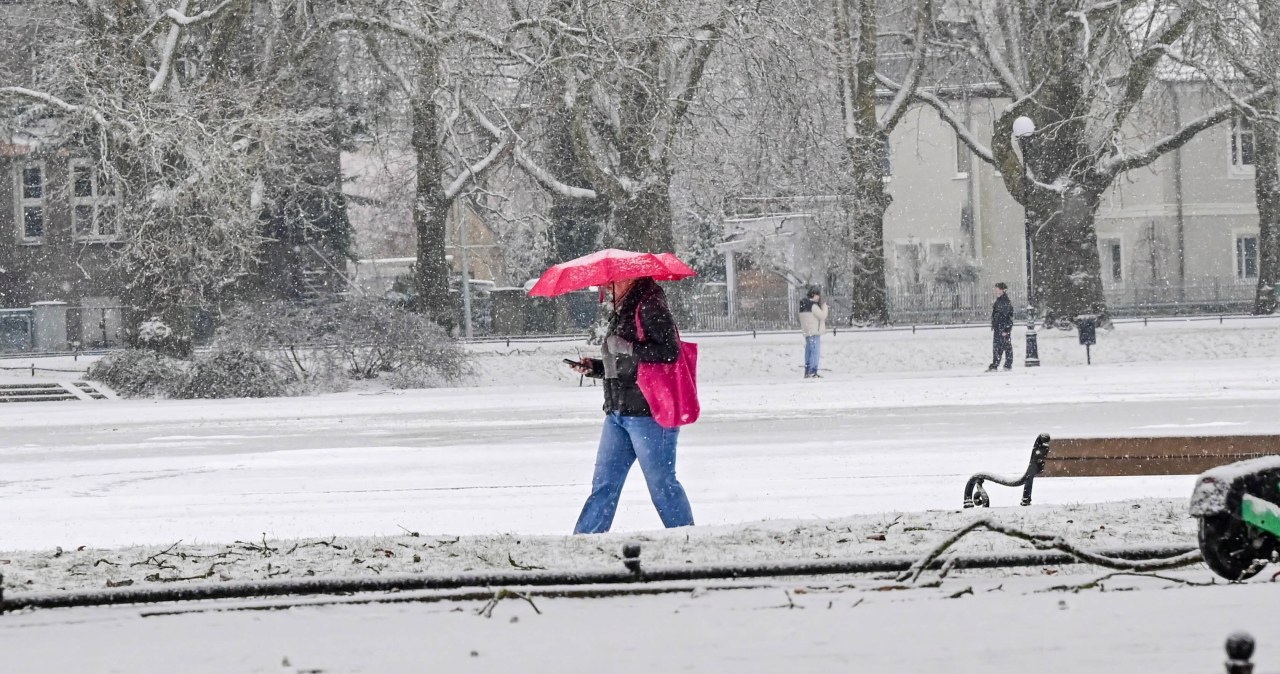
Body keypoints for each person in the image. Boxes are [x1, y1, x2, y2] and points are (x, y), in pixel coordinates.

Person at [568, 276, 695, 534]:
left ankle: (687, 538)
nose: (606, 288)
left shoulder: (650, 305)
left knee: (662, 487)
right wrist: (595, 367)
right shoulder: (622, 311)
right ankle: (584, 543)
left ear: (628, 279)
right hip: (618, 413)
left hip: (648, 413)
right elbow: (626, 366)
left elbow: (669, 351)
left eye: (611, 282)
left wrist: (629, 346)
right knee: (604, 485)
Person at [798, 286, 828, 378]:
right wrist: (824, 306)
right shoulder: (813, 306)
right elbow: (823, 315)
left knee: (809, 351)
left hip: (808, 332)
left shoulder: (803, 304)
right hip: (814, 331)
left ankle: (807, 371)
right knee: (815, 352)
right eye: (818, 294)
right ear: (814, 295)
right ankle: (812, 371)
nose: (819, 297)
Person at [988, 281, 1014, 371]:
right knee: (1003, 346)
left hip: (1002, 328)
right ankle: (1004, 365)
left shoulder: (1004, 301)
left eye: (998, 289)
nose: (996, 291)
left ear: (1003, 290)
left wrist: (1006, 329)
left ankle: (998, 365)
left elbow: (1008, 317)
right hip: (999, 327)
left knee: (1001, 346)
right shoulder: (1000, 301)